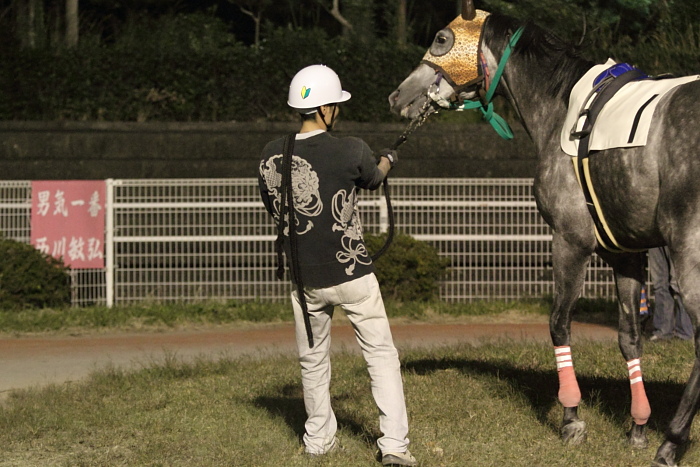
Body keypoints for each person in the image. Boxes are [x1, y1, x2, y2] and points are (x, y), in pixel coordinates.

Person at [257, 64, 417, 466]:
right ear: (326, 109)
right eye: (336, 106)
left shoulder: (270, 154)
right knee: (380, 354)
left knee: (313, 360)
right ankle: (394, 447)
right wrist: (388, 160)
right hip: (352, 273)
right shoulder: (351, 149)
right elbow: (373, 179)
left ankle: (318, 441)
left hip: (304, 276)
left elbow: (275, 206)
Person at [649, 246, 693, 341]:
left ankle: (685, 333)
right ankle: (662, 332)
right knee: (659, 284)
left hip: (675, 234)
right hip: (654, 237)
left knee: (678, 284)